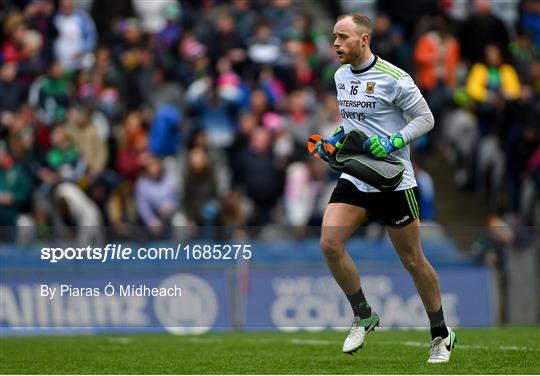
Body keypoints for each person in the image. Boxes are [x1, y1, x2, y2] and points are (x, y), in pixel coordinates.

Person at [316, 13, 456, 363]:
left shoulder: (396, 78)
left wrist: (395, 140)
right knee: (330, 244)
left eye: (343, 37)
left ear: (364, 40)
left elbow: (426, 118)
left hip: (395, 181)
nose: (335, 43)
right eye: (334, 36)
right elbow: (353, 124)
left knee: (413, 261)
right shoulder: (340, 76)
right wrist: (335, 140)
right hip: (358, 175)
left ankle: (441, 333)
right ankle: (363, 314)